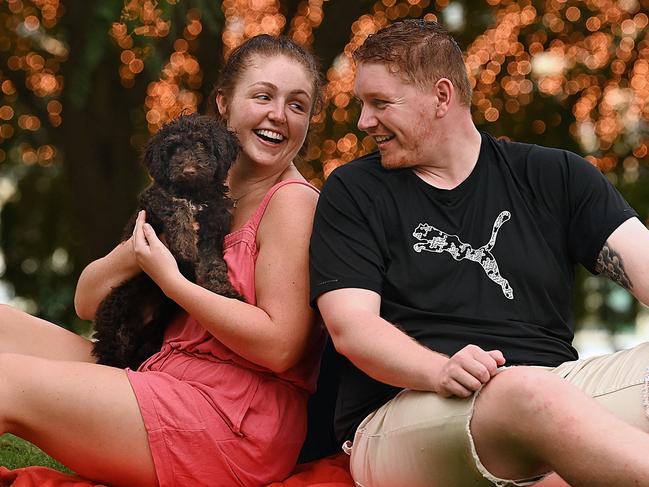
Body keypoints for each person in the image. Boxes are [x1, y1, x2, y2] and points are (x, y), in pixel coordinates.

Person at [310, 19, 649, 487]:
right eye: (363, 104)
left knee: (535, 390)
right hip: (403, 415)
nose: (363, 121)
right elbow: (352, 328)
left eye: (380, 103)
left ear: (442, 96)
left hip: (556, 392)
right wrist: (440, 369)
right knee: (524, 389)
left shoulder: (555, 176)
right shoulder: (354, 191)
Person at [0, 34, 324, 487]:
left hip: (231, 417)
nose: (278, 115)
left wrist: (174, 283)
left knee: (5, 381)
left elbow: (280, 347)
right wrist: (141, 251)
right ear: (224, 103)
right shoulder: (190, 186)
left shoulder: (293, 205)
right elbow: (87, 301)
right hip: (158, 368)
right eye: (263, 96)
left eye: (297, 105)